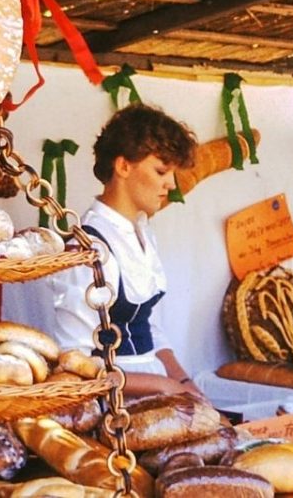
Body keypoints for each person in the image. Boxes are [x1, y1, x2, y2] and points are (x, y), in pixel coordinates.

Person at [45, 103, 202, 398]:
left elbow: (151, 327)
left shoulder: (143, 232)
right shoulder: (87, 248)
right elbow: (74, 363)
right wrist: (161, 385)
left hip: (158, 389)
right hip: (113, 405)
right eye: (161, 170)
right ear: (123, 166)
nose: (170, 183)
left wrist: (183, 383)